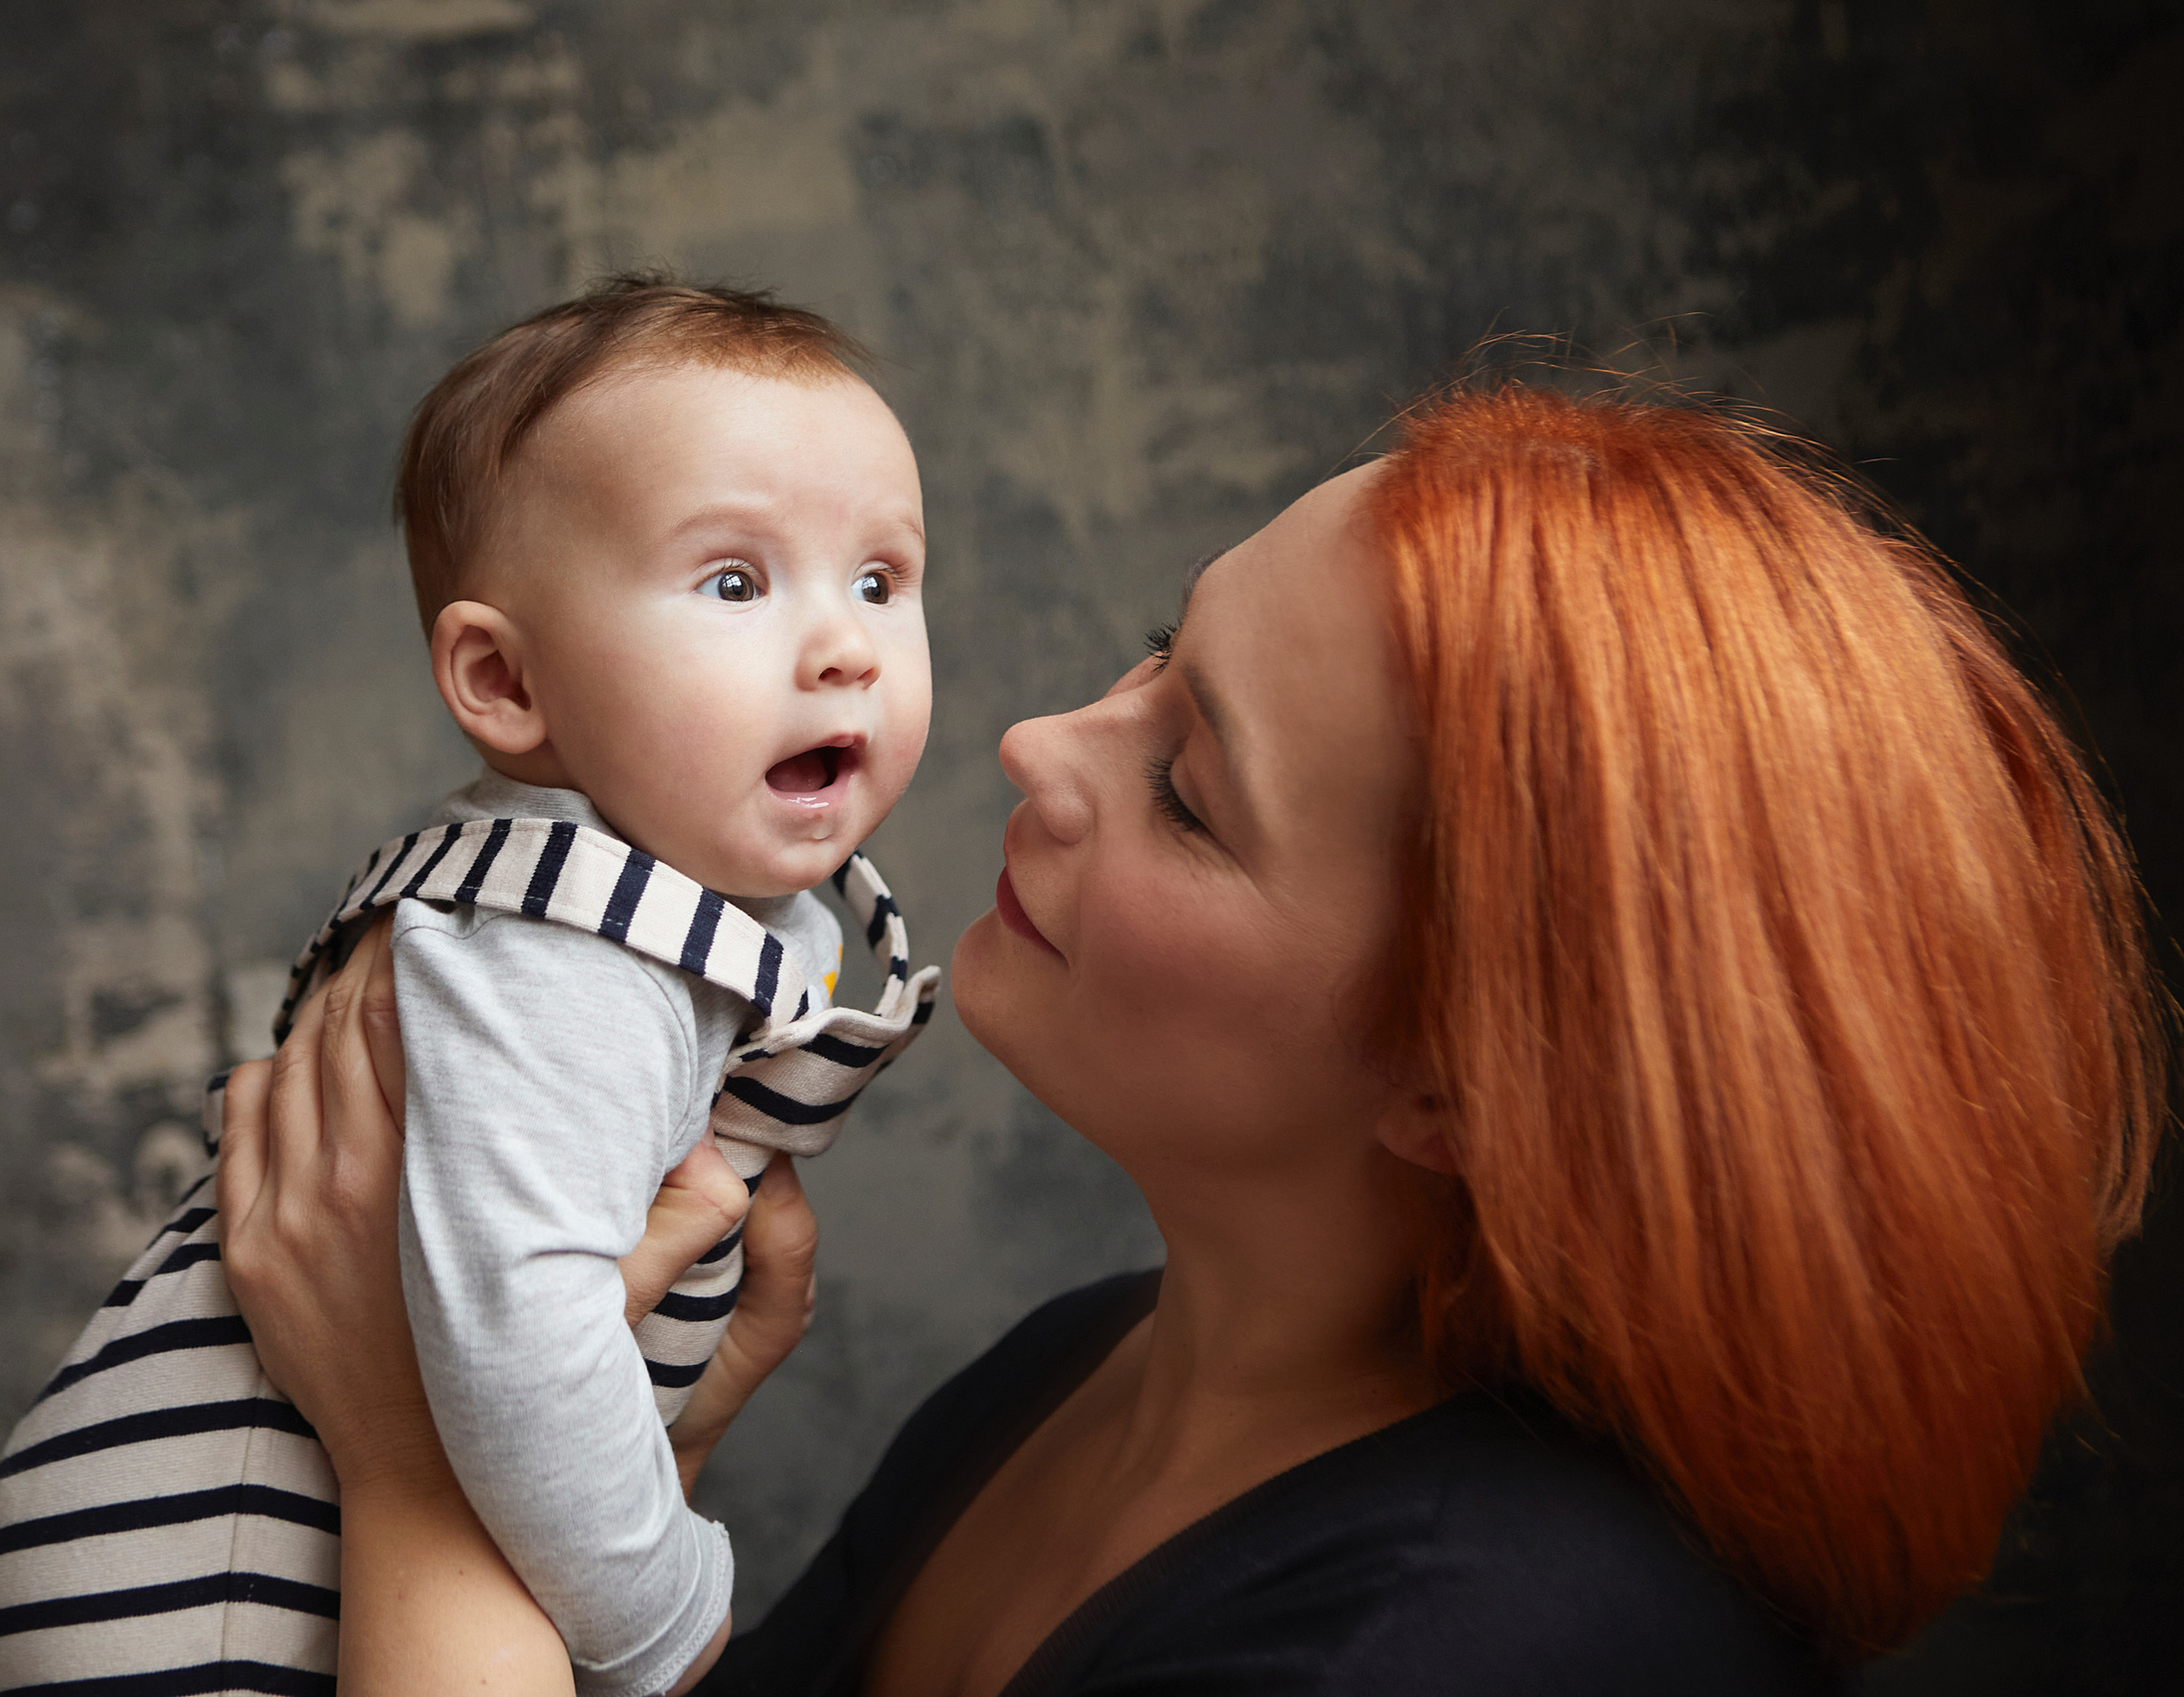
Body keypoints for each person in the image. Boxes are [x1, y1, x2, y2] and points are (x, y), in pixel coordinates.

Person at [216, 380, 2165, 1695]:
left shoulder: (1458, 1650)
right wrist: (613, 1453)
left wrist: (427, 1469)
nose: (1033, 744)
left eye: (1190, 792)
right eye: (1158, 650)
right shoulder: (1080, 1371)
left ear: (1459, 1077)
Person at [0, 278, 943, 1697]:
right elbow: (517, 1340)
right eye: (735, 582)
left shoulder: (694, 907)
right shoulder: (570, 957)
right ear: (505, 681)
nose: (847, 645)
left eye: (881, 581)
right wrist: (667, 1616)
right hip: (206, 1583)